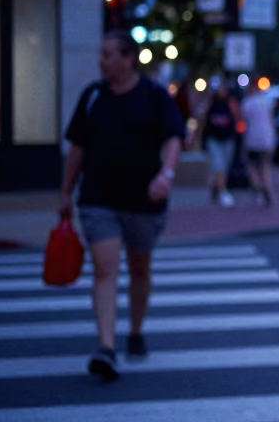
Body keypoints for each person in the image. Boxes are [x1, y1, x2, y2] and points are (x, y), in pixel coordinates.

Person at [59, 30, 186, 381]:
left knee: (139, 269)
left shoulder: (154, 96)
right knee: (105, 269)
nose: (102, 60)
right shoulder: (93, 96)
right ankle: (106, 347)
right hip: (98, 199)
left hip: (144, 201)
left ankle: (136, 331)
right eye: (101, 54)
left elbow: (174, 137)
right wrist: (65, 192)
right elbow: (78, 149)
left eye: (109, 54)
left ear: (129, 58)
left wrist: (167, 173)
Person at [200, 78, 240, 206]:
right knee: (219, 165)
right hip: (214, 139)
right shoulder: (211, 103)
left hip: (228, 138)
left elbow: (237, 117)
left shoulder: (230, 103)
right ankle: (223, 192)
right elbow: (203, 120)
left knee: (224, 166)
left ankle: (216, 187)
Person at [240, 81, 277, 205]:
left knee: (253, 167)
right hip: (266, 139)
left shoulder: (247, 103)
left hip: (252, 138)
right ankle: (267, 189)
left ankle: (257, 191)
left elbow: (242, 121)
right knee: (265, 166)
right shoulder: (267, 102)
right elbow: (272, 120)